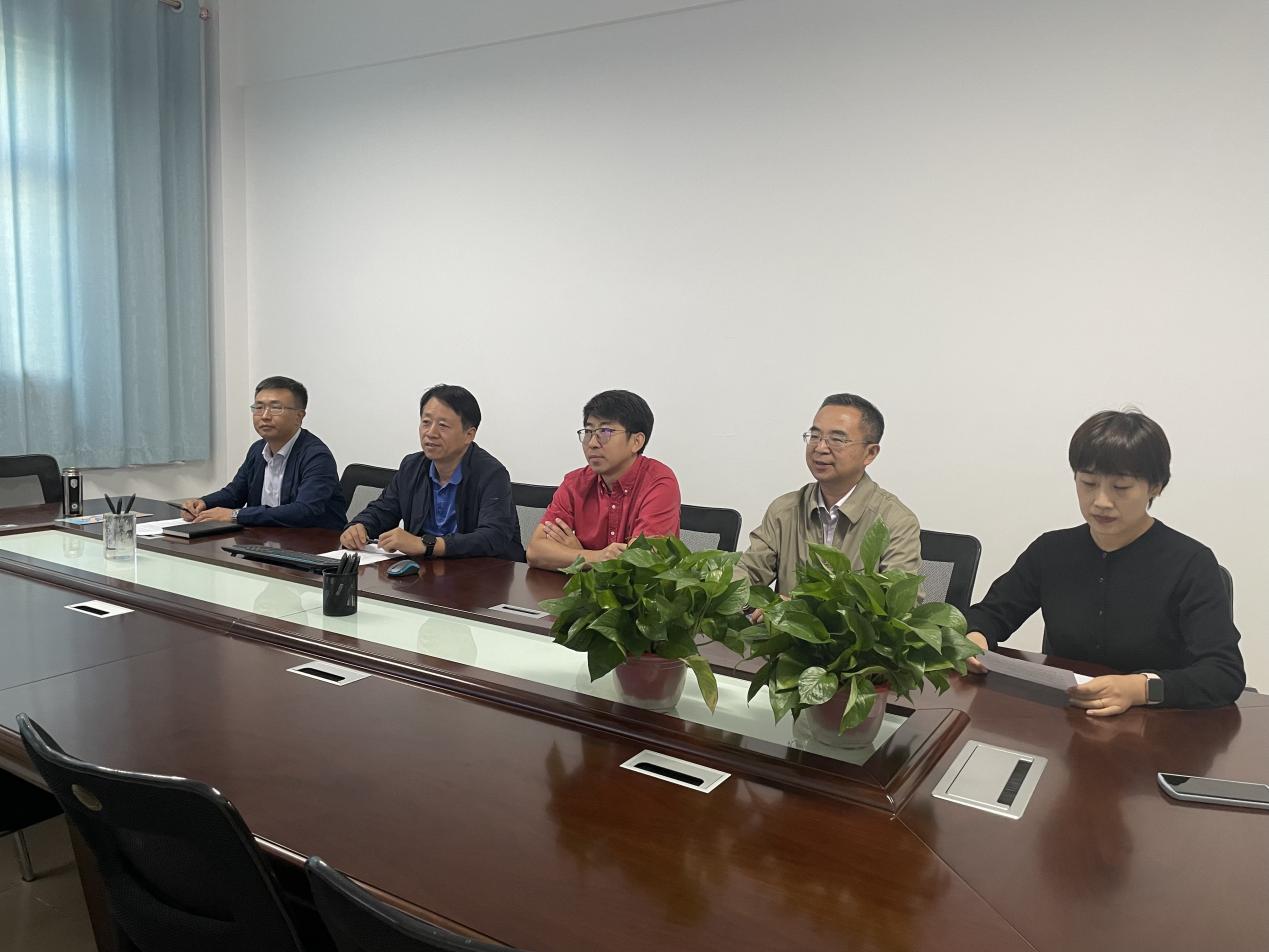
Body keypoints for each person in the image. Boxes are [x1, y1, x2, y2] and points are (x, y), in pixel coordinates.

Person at [964, 409, 1245, 712]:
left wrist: (1141, 688)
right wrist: (975, 638)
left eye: (1120, 487)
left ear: (1155, 486)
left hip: (1156, 724)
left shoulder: (1191, 563)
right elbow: (991, 614)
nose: (1101, 501)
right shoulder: (1051, 551)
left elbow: (1223, 673)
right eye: (1088, 483)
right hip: (1067, 718)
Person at [737, 393, 920, 594]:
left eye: (837, 439)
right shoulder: (785, 511)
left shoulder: (895, 521)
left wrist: (797, 608)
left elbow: (899, 601)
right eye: (815, 436)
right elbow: (748, 573)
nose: (820, 447)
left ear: (870, 453)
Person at [339, 384, 523, 561]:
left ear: (469, 434)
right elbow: (382, 510)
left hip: (482, 573)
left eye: (443, 425)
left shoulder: (491, 474)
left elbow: (493, 537)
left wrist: (427, 545)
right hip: (425, 571)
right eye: (426, 422)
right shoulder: (412, 467)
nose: (431, 433)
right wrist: (360, 526)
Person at [526, 390, 680, 570]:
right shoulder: (575, 483)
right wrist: (596, 557)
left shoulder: (659, 483)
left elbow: (639, 565)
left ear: (636, 441)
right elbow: (535, 552)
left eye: (605, 431)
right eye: (588, 431)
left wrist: (577, 555)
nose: (592, 443)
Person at [184, 376, 346, 530]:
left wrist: (236, 515)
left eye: (275, 408)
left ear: (299, 416)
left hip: (314, 542)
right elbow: (235, 494)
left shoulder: (316, 456)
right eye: (259, 407)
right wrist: (203, 503)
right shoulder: (257, 450)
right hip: (265, 538)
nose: (265, 416)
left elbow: (304, 511)